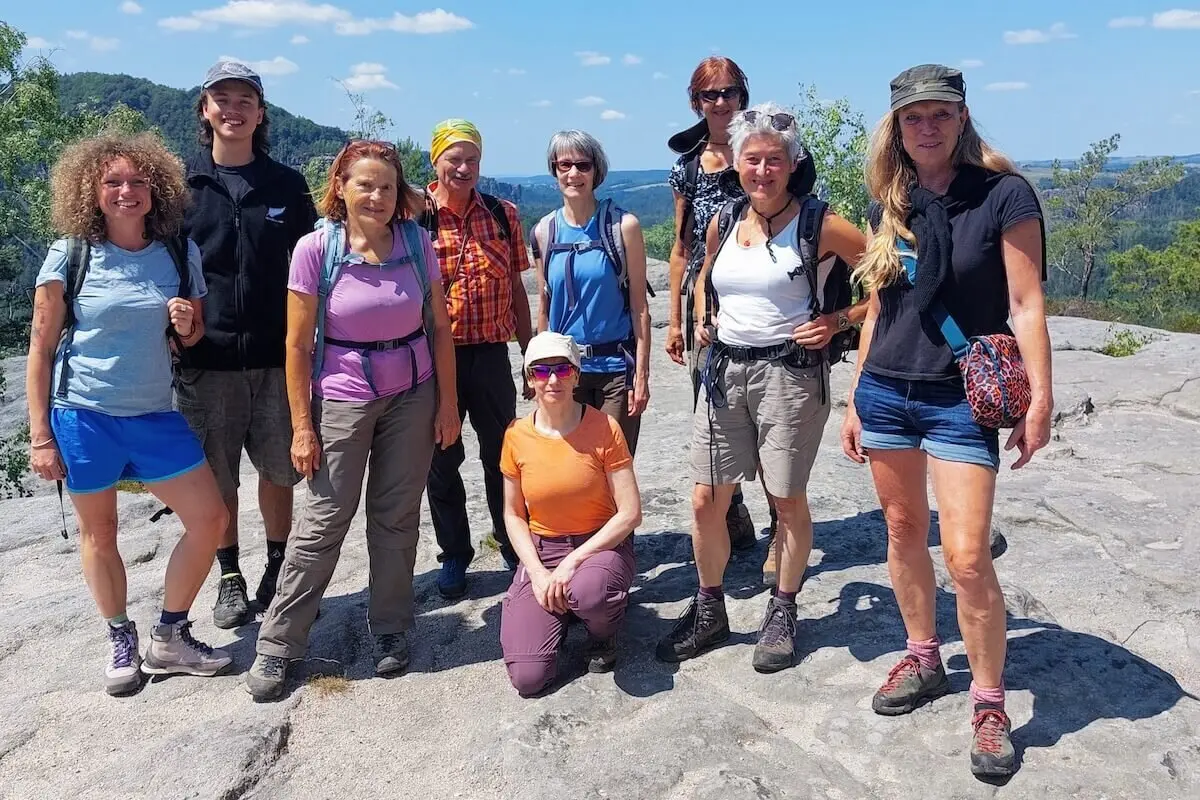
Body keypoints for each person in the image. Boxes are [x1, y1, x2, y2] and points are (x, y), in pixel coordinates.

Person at [840, 65, 1053, 778]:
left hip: (960, 398)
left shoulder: (1003, 195)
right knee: (902, 532)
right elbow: (877, 306)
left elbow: (1025, 304)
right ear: (896, 128)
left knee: (965, 556)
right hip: (888, 392)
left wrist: (1040, 399)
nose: (926, 127)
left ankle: (989, 703)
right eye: (912, 117)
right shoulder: (889, 202)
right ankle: (924, 655)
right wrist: (855, 392)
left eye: (939, 114)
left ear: (962, 119)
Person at [655, 103, 867, 674]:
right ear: (738, 164)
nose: (763, 170)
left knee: (785, 499)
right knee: (707, 499)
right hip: (724, 372)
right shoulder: (725, 218)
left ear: (792, 164)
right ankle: (709, 607)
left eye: (775, 160)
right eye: (753, 159)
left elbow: (892, 274)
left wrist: (840, 321)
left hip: (789, 376)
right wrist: (703, 314)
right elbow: (704, 277)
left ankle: (783, 607)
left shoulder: (820, 222)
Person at [245, 140, 459, 701]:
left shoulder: (416, 243)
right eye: (365, 184)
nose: (378, 195)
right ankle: (278, 644)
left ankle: (391, 626)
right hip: (342, 397)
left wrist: (447, 403)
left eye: (387, 186)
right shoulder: (317, 249)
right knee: (322, 521)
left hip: (413, 391)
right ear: (340, 186)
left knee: (396, 515)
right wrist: (301, 425)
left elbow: (439, 327)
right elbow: (296, 346)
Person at [26, 133, 233, 695]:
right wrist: (40, 435)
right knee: (102, 531)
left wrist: (187, 323)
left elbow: (190, 337)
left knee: (210, 520)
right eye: (113, 182)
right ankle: (120, 636)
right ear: (91, 191)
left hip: (152, 413)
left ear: (156, 189)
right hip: (84, 413)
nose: (126, 191)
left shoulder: (176, 252)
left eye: (138, 181)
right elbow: (41, 346)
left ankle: (170, 634)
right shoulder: (71, 253)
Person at [177, 60, 318, 630]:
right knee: (218, 477)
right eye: (222, 99)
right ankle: (230, 574)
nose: (232, 110)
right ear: (205, 110)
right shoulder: (181, 186)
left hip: (276, 354)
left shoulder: (285, 185)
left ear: (260, 114)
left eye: (244, 101)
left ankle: (278, 563)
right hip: (204, 359)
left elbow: (312, 268)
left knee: (280, 471)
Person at [423, 119, 534, 600]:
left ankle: (512, 543)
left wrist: (529, 352)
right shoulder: (415, 218)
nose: (463, 168)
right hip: (431, 359)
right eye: (454, 158)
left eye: (472, 159)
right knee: (441, 461)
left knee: (501, 457)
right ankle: (454, 555)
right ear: (436, 161)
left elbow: (515, 288)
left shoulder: (501, 213)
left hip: (489, 354)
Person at [498, 332, 641, 696]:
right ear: (529, 378)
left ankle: (602, 633)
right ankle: (561, 609)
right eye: (541, 371)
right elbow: (513, 515)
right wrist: (537, 572)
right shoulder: (516, 435)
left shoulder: (604, 428)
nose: (552, 379)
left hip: (598, 549)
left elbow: (629, 513)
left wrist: (572, 562)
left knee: (590, 591)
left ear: (577, 375)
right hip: (542, 550)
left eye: (562, 370)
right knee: (528, 680)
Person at [664, 57, 762, 566]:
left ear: (743, 96)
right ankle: (734, 506)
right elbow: (681, 246)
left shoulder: (763, 151)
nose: (720, 102)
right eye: (710, 95)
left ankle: (775, 511)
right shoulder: (686, 166)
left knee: (766, 405)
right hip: (706, 301)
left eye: (728, 92)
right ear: (696, 102)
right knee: (715, 403)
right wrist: (676, 320)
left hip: (762, 294)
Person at [530, 130, 650, 452]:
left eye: (582, 165)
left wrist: (641, 376)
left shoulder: (623, 227)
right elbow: (544, 306)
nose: (573, 174)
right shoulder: (544, 232)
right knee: (573, 470)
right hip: (565, 372)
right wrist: (539, 370)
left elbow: (640, 309)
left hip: (614, 370)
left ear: (596, 170)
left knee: (612, 468)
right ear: (553, 170)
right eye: (564, 164)